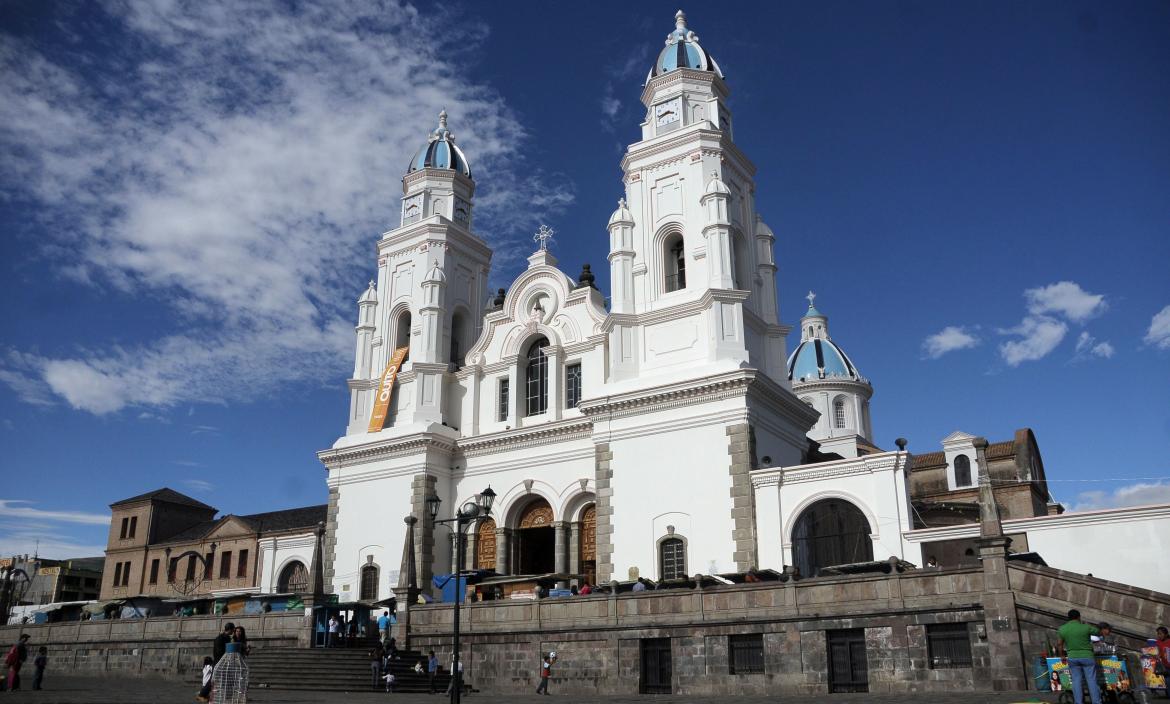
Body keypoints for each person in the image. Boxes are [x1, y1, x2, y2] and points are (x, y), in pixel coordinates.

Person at [1057, 608, 1111, 704]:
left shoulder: (1062, 629)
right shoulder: (1085, 627)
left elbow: (1060, 644)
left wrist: (1062, 656)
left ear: (1068, 618)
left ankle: (1078, 702)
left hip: (1072, 657)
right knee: (1091, 680)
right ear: (1079, 617)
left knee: (1076, 681)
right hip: (1087, 657)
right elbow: (1099, 632)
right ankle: (1096, 702)